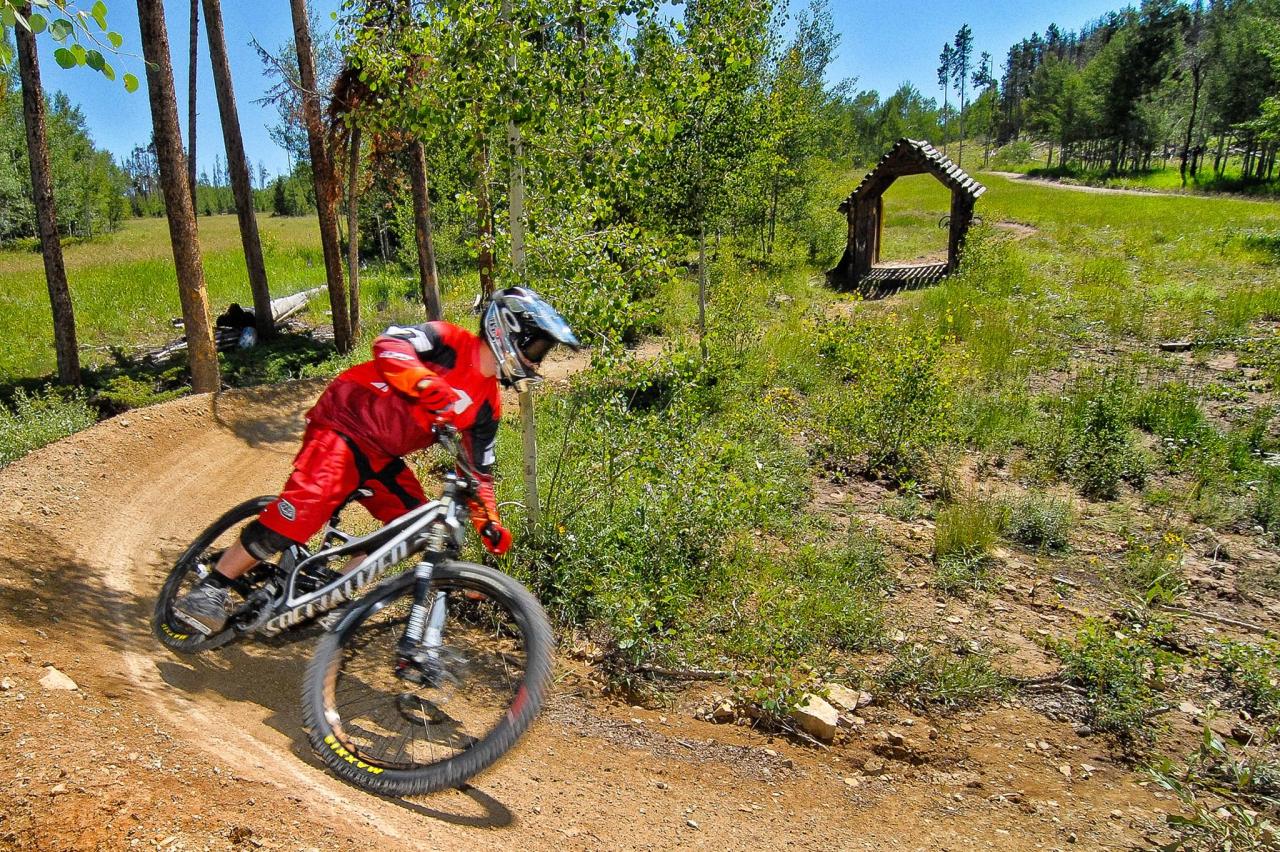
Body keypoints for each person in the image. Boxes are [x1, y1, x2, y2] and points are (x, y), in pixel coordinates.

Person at [173, 287, 581, 635]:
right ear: (507, 330)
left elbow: (479, 472)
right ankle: (214, 585)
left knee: (417, 528)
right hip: (344, 422)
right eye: (537, 347)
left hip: (382, 454)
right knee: (307, 507)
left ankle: (329, 592)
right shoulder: (447, 340)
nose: (536, 360)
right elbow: (390, 343)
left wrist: (487, 521)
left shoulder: (488, 406)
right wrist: (421, 380)